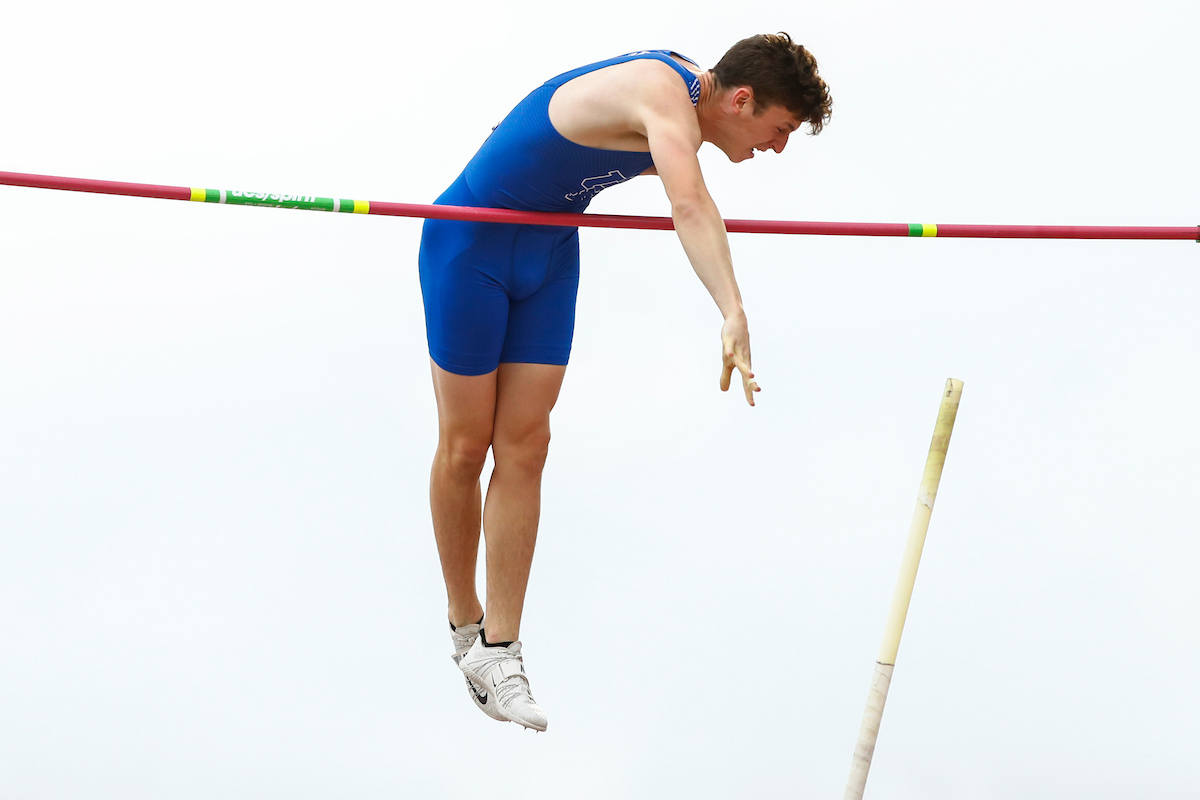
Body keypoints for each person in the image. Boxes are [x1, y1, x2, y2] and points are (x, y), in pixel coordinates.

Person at [419, 32, 832, 732]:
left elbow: (561, 120)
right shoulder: (663, 95)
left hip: (550, 252)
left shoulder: (683, 104)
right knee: (467, 445)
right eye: (780, 129)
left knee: (527, 444)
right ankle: (465, 624)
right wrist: (732, 310)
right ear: (741, 98)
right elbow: (691, 205)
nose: (778, 146)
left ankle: (500, 653)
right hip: (472, 242)